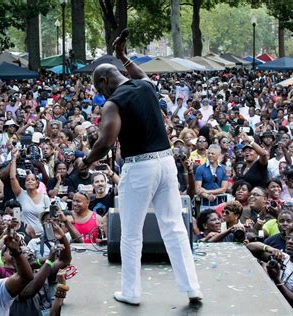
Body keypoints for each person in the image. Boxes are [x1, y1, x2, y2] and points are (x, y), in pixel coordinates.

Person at [78, 35, 202, 305]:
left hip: (139, 168)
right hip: (166, 163)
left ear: (103, 82)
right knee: (174, 227)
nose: (101, 95)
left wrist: (86, 162)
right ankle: (192, 287)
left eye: (98, 89)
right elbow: (140, 73)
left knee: (131, 232)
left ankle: (131, 292)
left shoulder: (113, 103)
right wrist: (123, 56)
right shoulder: (145, 86)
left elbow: (105, 142)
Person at [247, 226, 293, 312]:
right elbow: (249, 248)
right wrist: (269, 248)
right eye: (288, 238)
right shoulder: (284, 257)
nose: (290, 241)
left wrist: (277, 279)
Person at [195, 144, 228, 211]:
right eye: (209, 153)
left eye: (213, 154)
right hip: (205, 205)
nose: (210, 155)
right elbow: (198, 189)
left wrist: (207, 191)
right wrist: (207, 196)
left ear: (218, 155)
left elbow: (224, 189)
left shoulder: (224, 169)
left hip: (220, 204)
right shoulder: (200, 168)